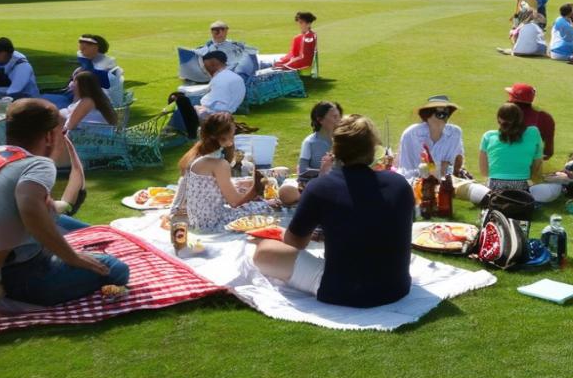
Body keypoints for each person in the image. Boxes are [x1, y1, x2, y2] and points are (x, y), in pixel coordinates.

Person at [0, 99, 129, 309]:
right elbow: (28, 205)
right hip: (20, 278)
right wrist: (71, 256)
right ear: (49, 136)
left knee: (86, 228)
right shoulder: (38, 165)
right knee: (117, 268)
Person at [253, 114, 414, 308]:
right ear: (372, 148)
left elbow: (294, 243)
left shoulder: (320, 187)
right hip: (396, 286)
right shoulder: (399, 183)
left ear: (335, 148)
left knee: (264, 251)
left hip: (342, 289)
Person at [169, 113, 274, 232]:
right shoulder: (219, 164)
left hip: (194, 221)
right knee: (266, 206)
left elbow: (210, 190)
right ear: (227, 138)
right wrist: (256, 188)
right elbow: (235, 203)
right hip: (213, 224)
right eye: (233, 135)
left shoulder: (197, 156)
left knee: (250, 196)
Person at [276, 100, 342, 205]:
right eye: (334, 117)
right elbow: (303, 169)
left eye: (339, 116)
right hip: (314, 183)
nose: (339, 120)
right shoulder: (310, 142)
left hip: (339, 183)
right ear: (320, 120)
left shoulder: (343, 140)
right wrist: (323, 170)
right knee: (287, 192)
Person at [396, 96, 465, 183]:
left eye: (447, 114)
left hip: (445, 187)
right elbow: (405, 171)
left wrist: (441, 169)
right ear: (427, 116)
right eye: (440, 115)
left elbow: (455, 167)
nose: (444, 119)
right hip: (415, 186)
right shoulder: (411, 134)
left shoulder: (455, 133)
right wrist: (433, 169)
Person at [478, 103, 543, 193]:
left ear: (499, 119)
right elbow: (537, 162)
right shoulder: (533, 132)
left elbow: (484, 171)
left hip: (494, 186)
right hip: (522, 185)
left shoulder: (488, 136)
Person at [192, 21, 258, 81]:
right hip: (230, 74)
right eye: (216, 30)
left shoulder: (235, 45)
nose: (219, 33)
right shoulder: (205, 50)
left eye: (222, 30)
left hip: (237, 70)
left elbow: (254, 51)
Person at [505, 83, 555, 161]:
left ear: (513, 99)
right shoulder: (546, 118)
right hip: (533, 163)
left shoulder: (507, 115)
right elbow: (548, 153)